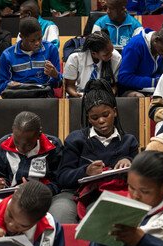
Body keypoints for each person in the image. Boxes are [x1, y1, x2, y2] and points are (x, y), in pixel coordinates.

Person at [51, 79, 139, 223]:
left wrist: (130, 161)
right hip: (74, 192)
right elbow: (62, 178)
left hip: (114, 192)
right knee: (60, 214)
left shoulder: (128, 141)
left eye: (106, 115)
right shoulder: (76, 139)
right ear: (88, 119)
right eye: (95, 118)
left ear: (115, 112)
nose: (101, 121)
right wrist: (86, 171)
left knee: (99, 214)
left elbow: (141, 174)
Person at [0, 111, 62, 197]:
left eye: (27, 145)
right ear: (12, 130)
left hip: (42, 197)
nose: (21, 148)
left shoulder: (53, 146)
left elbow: (59, 182)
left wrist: (36, 190)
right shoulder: (3, 144)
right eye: (16, 142)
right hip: (11, 196)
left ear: (39, 135)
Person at [0, 16, 62, 97]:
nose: (38, 43)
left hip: (43, 96)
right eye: (32, 40)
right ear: (21, 37)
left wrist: (55, 75)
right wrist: (11, 84)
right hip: (18, 97)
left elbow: (58, 84)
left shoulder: (50, 49)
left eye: (40, 38)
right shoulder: (7, 55)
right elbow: (0, 88)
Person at [117, 27, 163, 97]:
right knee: (140, 97)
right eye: (162, 51)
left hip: (149, 89)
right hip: (128, 89)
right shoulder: (135, 46)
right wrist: (153, 82)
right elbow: (123, 78)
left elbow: (158, 73)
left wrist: (160, 79)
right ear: (156, 40)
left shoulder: (162, 47)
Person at [63, 31, 121, 98]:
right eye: (106, 54)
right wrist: (77, 95)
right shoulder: (75, 58)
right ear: (94, 53)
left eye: (112, 50)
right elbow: (69, 86)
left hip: (105, 97)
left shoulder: (116, 58)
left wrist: (109, 95)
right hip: (79, 96)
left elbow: (116, 85)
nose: (111, 55)